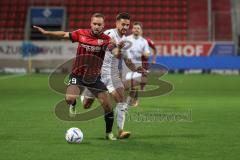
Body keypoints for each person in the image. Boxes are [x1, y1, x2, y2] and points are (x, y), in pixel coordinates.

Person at [33, 13, 117, 140]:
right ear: (91, 24)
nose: (97, 26)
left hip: (94, 78)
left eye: (99, 24)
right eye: (94, 23)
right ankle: (73, 104)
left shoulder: (106, 39)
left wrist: (117, 49)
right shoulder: (81, 33)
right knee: (70, 98)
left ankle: (109, 133)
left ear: (103, 26)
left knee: (108, 106)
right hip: (77, 75)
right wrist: (46, 33)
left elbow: (114, 51)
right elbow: (63, 34)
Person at [80, 13, 145, 139]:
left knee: (121, 100)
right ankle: (86, 93)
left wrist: (138, 68)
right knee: (86, 105)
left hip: (113, 75)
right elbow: (105, 48)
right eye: (123, 24)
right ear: (116, 23)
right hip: (97, 73)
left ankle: (120, 131)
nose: (125, 27)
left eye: (127, 25)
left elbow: (127, 60)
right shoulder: (109, 34)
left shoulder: (125, 42)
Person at [122, 22, 151, 107]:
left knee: (134, 84)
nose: (136, 30)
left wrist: (143, 53)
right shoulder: (127, 39)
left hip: (137, 65)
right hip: (127, 64)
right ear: (132, 29)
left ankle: (133, 100)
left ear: (141, 30)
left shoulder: (144, 41)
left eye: (138, 28)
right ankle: (131, 99)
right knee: (126, 86)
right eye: (135, 28)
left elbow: (147, 53)